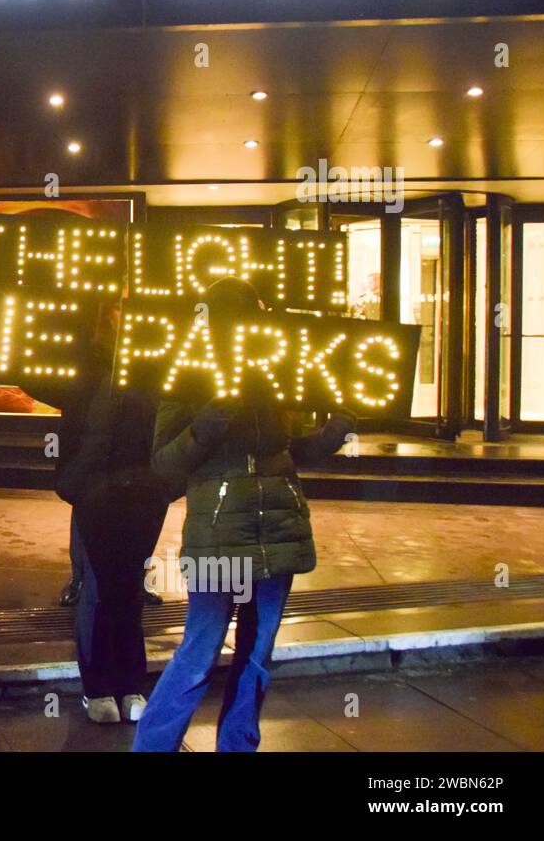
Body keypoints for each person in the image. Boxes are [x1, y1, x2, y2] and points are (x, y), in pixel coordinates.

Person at [134, 276, 355, 752]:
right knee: (200, 649)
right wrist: (206, 426)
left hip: (279, 533)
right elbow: (164, 466)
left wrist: (333, 433)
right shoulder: (188, 375)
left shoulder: (275, 374)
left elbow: (289, 451)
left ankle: (238, 745)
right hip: (221, 537)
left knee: (257, 652)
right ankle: (153, 746)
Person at [50, 303, 169, 725]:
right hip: (97, 488)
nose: (124, 312)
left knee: (129, 586)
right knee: (100, 587)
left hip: (145, 489)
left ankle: (130, 683)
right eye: (115, 305)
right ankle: (99, 686)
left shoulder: (157, 359)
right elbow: (36, 376)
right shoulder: (83, 359)